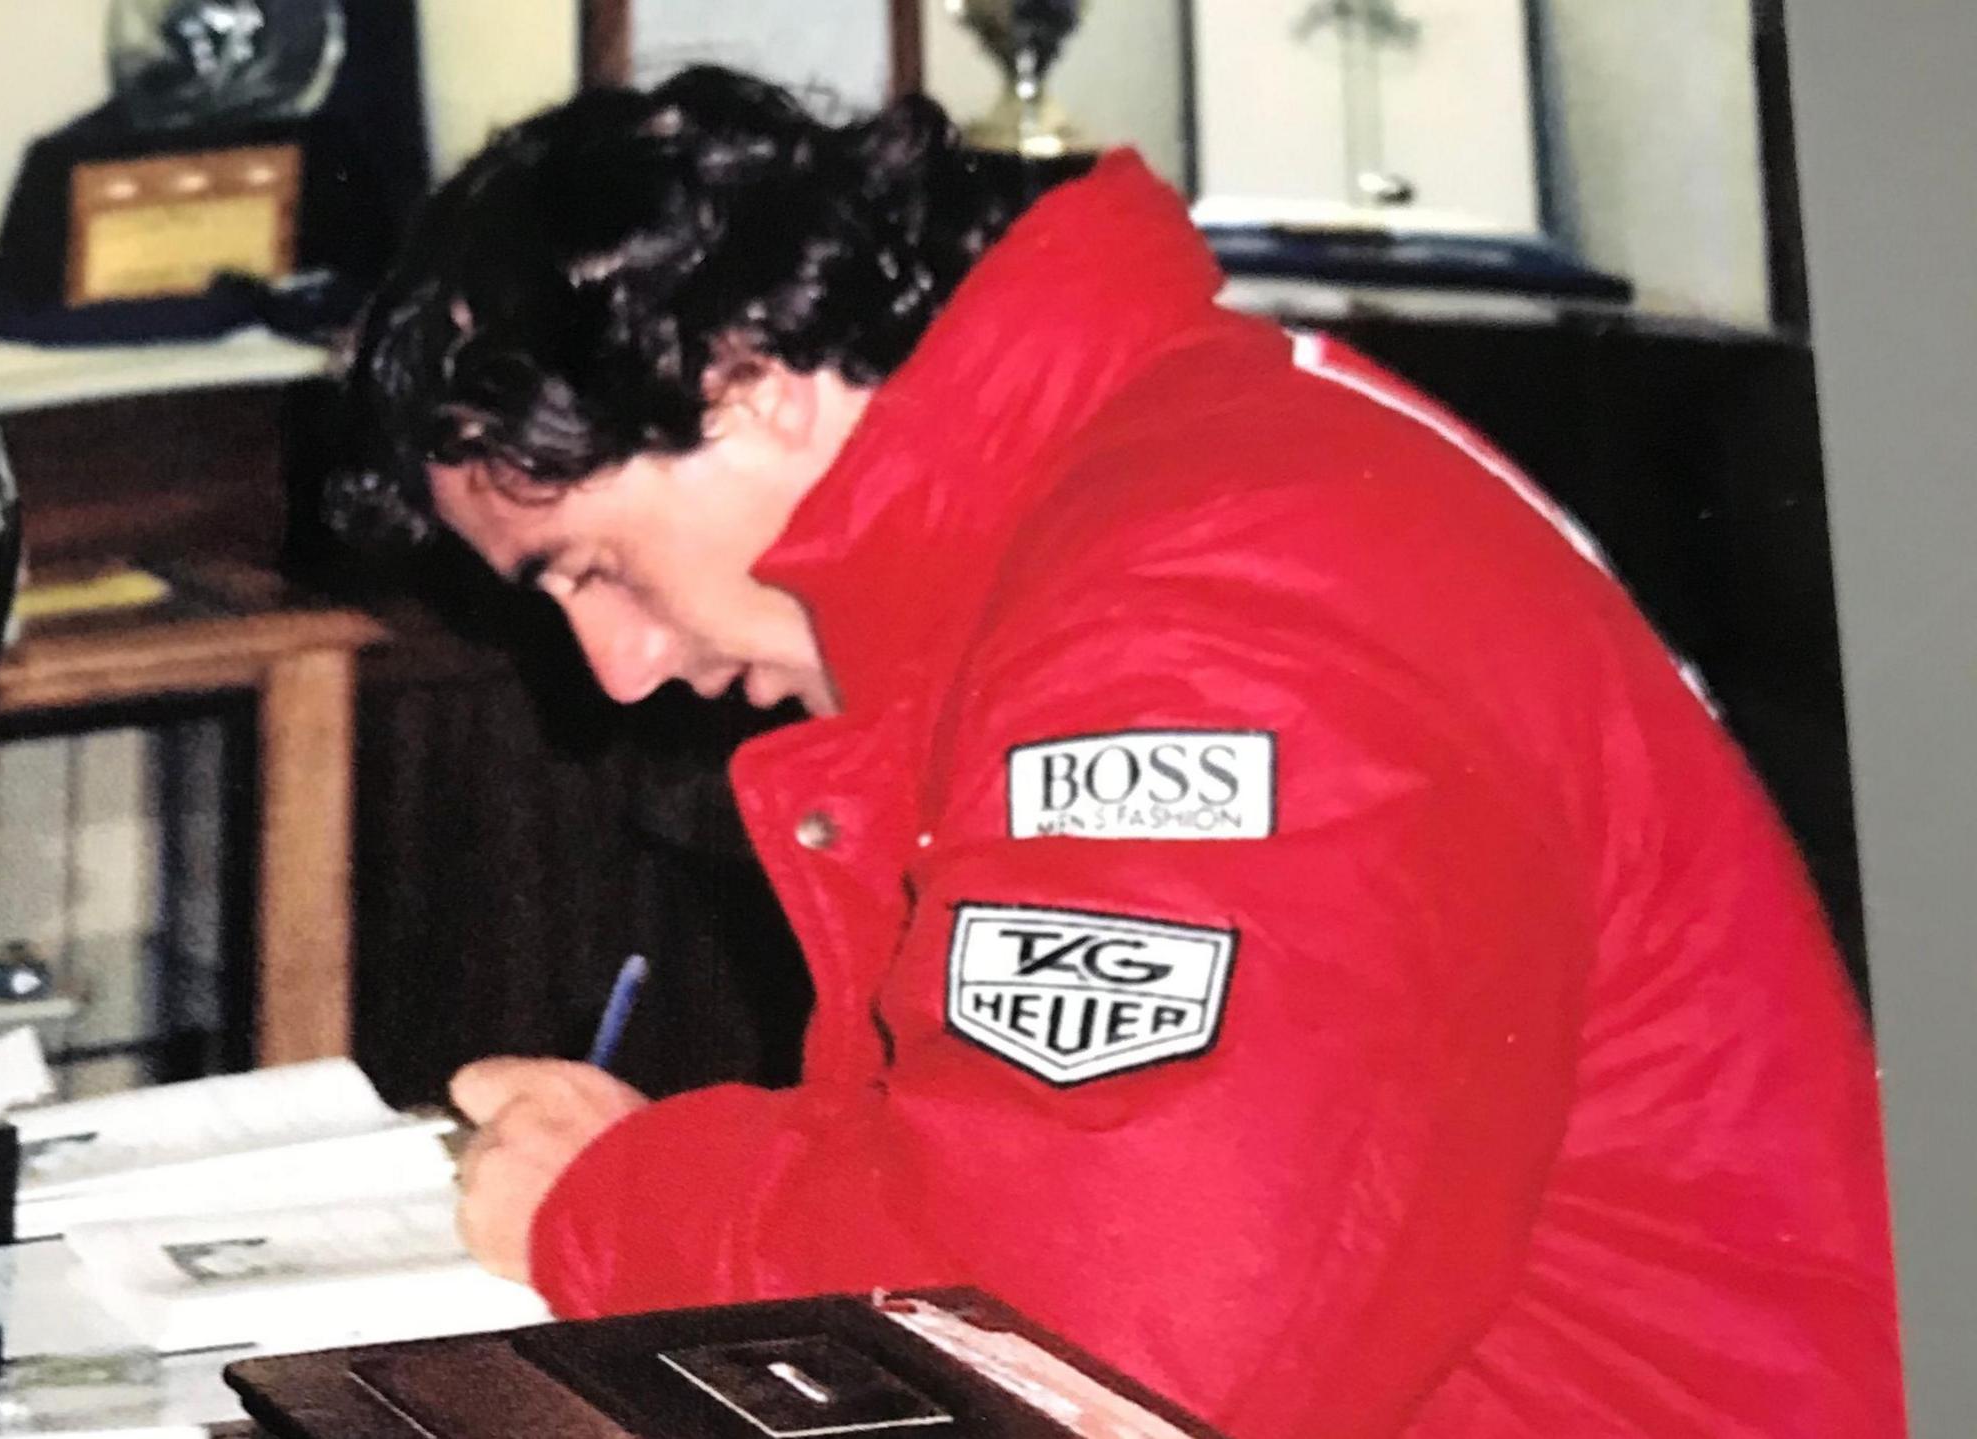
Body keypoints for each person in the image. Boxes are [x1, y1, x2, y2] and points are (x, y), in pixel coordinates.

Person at [335, 67, 1905, 1438]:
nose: (617, 668)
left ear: (751, 379)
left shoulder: (1202, 615)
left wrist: (605, 1212)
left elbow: (1102, 1367)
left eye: (591, 569)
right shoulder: (1159, 480)